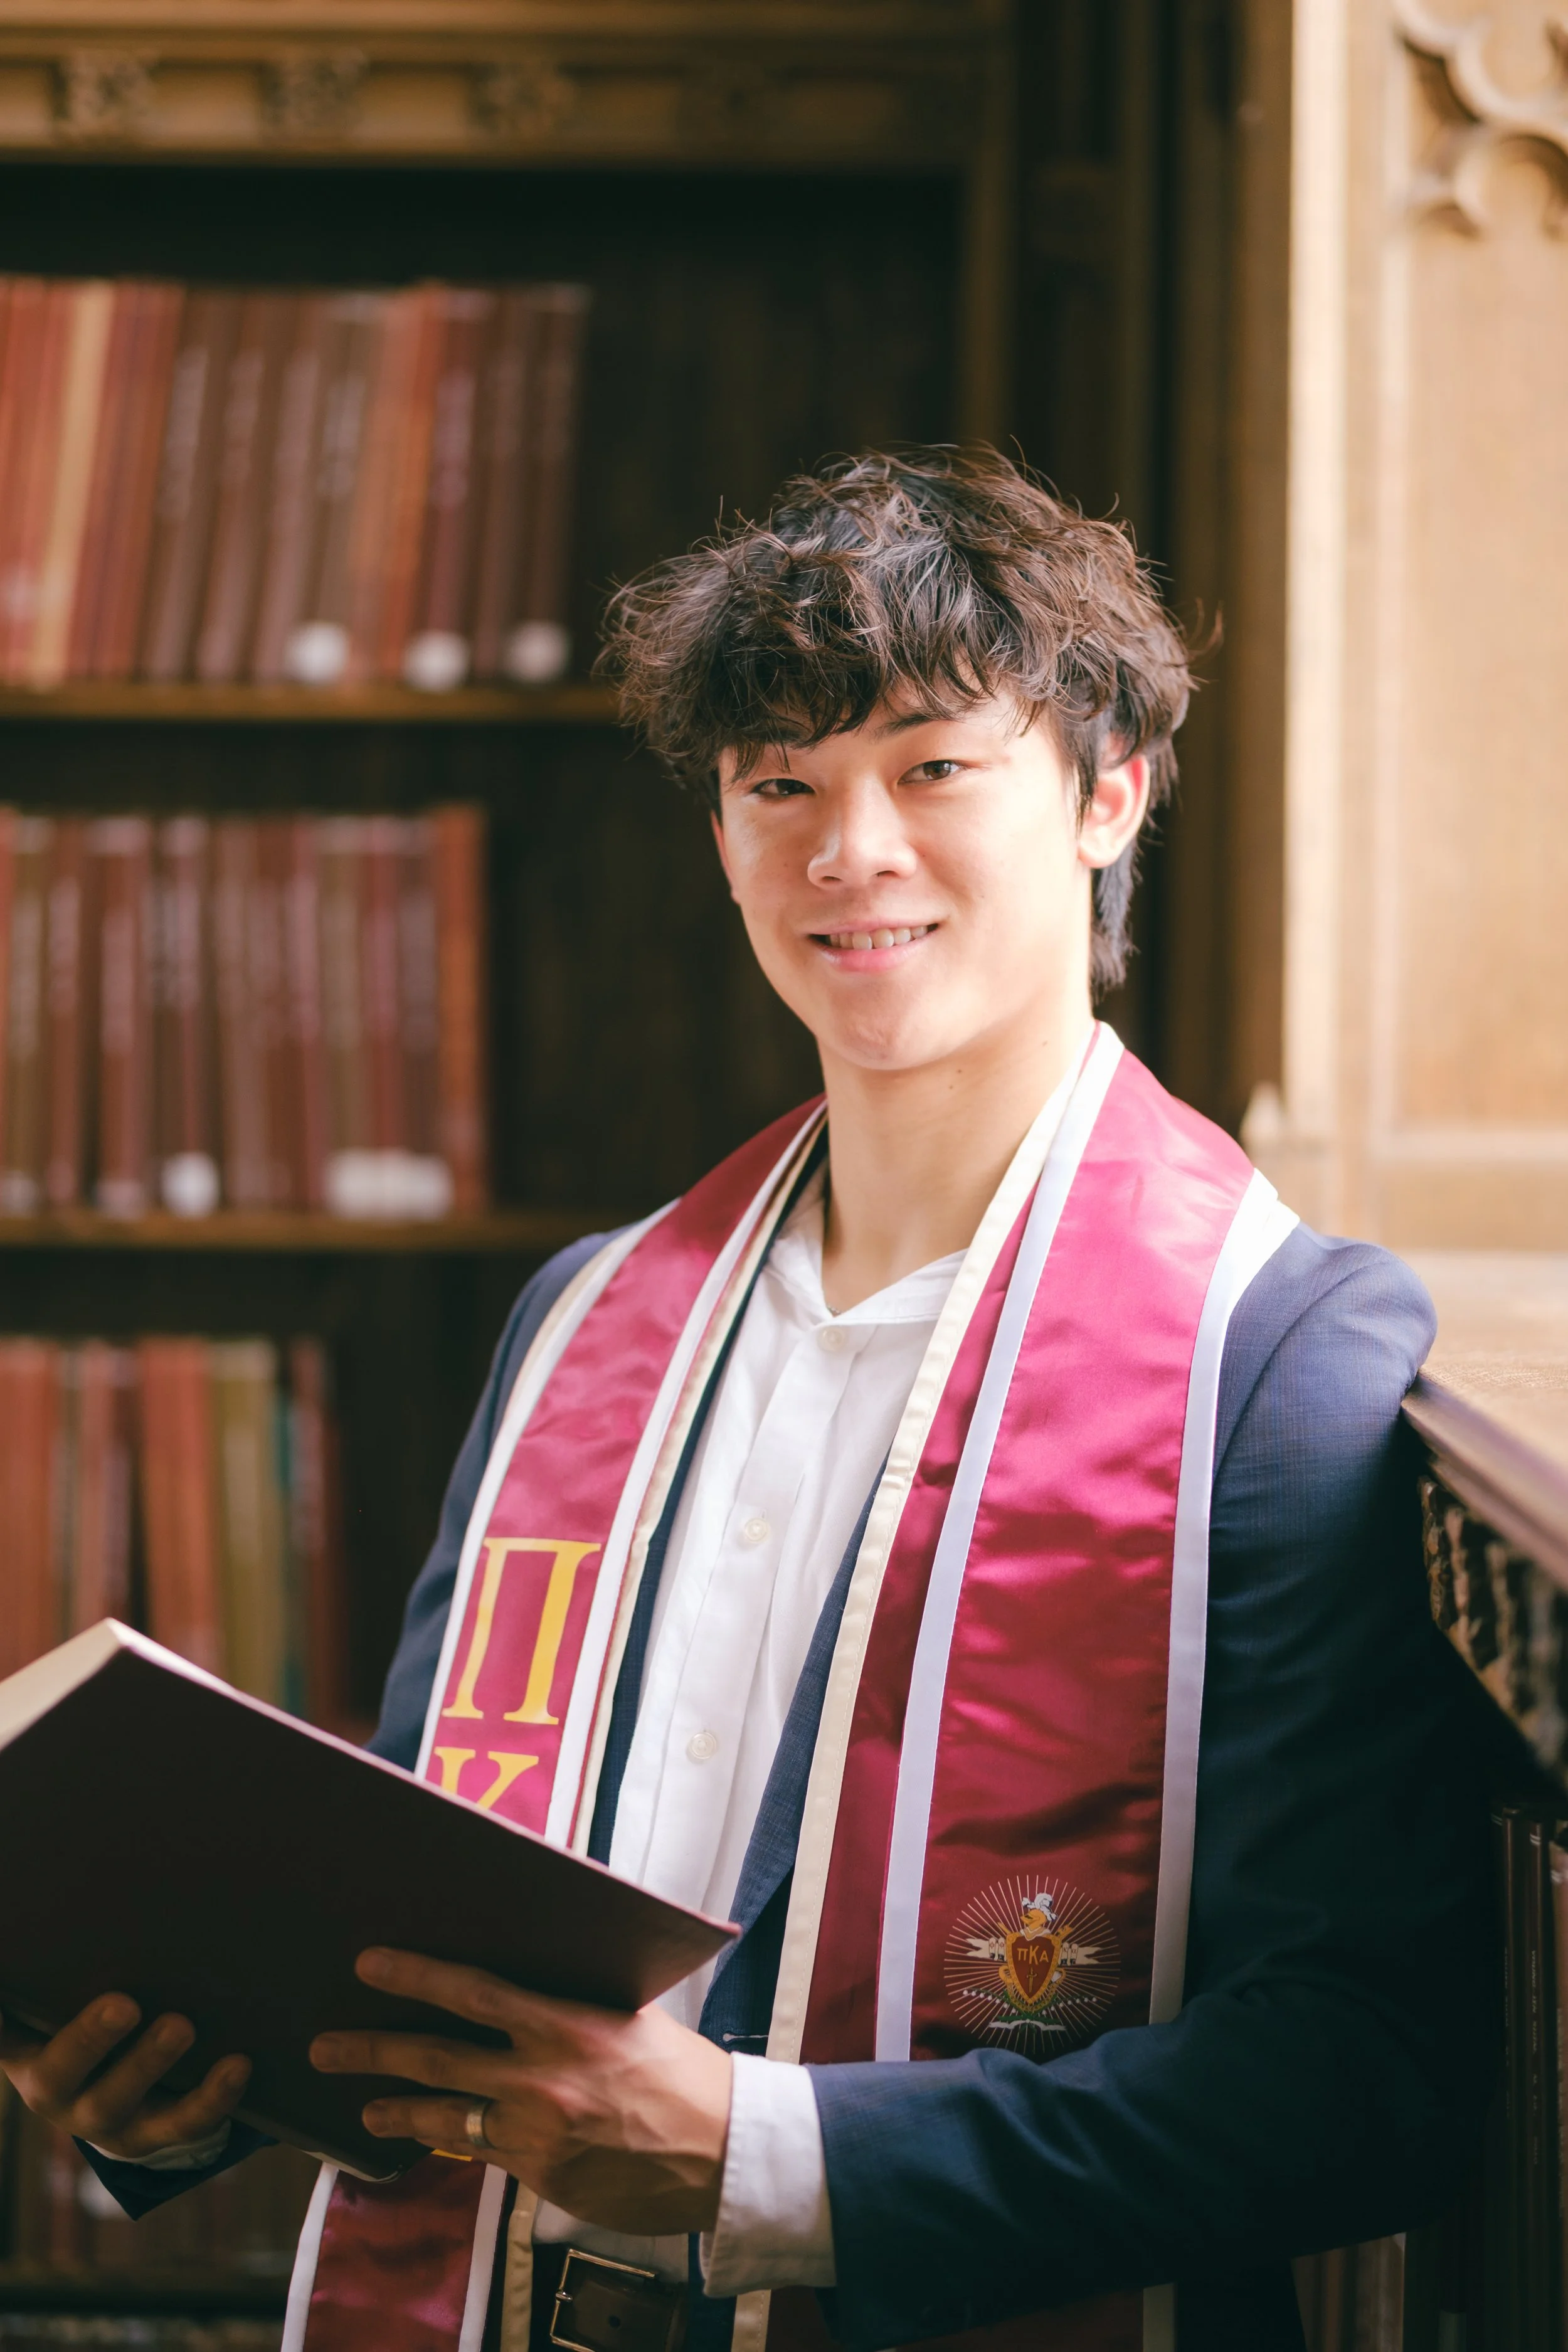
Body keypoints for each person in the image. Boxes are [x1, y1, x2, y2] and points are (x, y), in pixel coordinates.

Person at [1, 448, 1491, 2352]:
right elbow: (418, 1915)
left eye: (933, 768)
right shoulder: (585, 1324)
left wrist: (753, 2154)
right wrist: (182, 2085)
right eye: (776, 783)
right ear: (718, 835)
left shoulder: (1276, 1359)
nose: (845, 849)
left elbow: (1359, 2077)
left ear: (1108, 794)